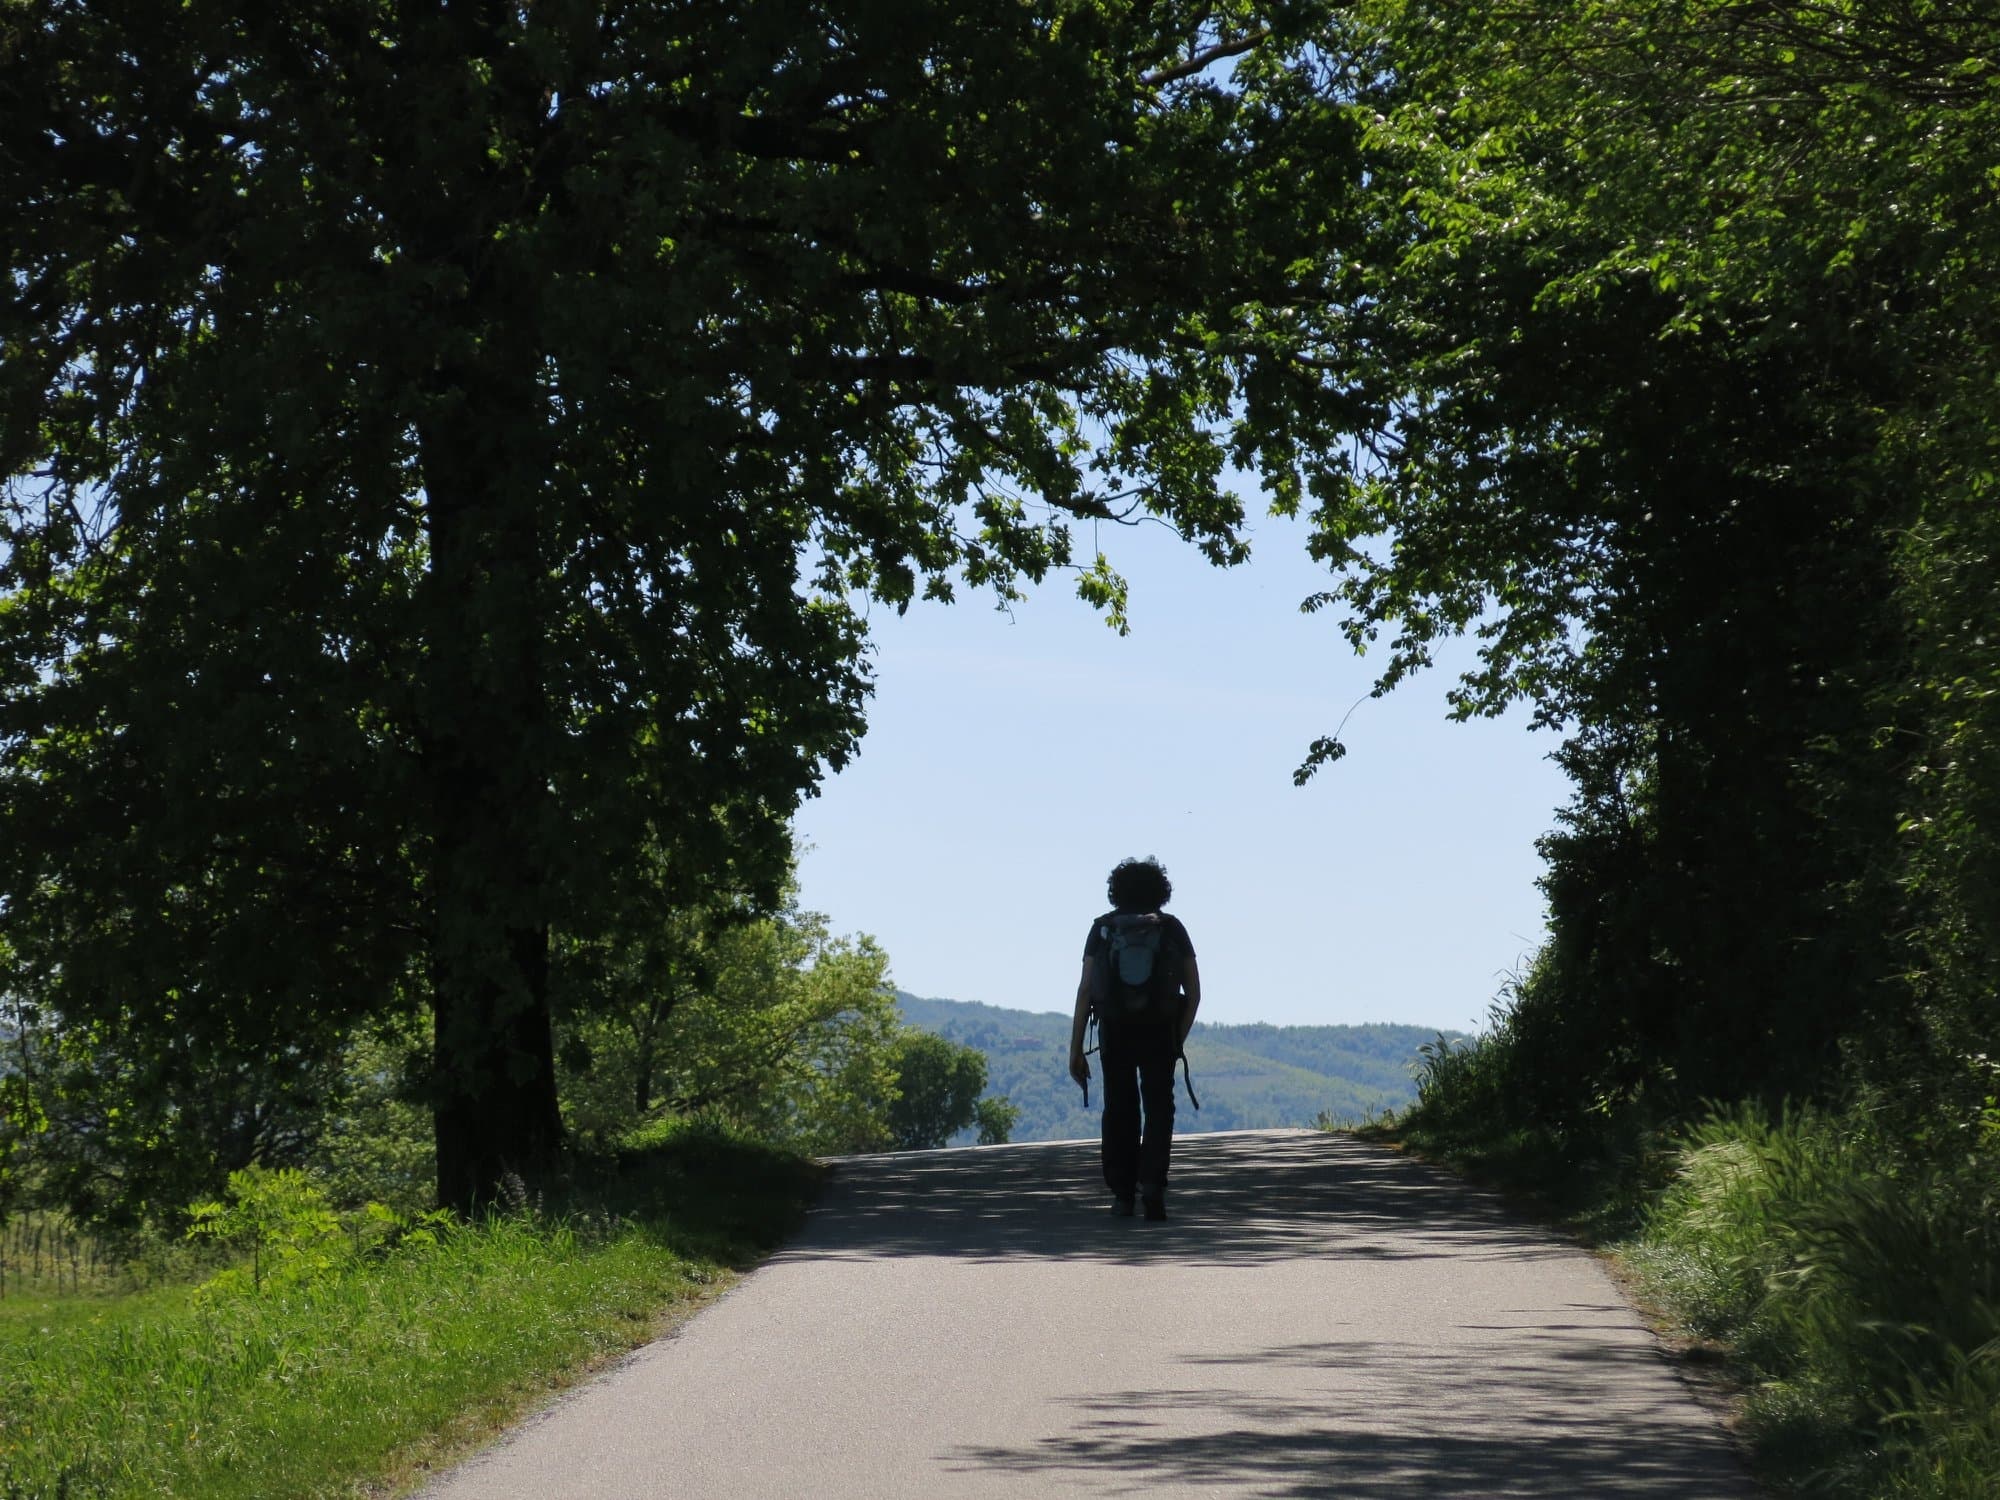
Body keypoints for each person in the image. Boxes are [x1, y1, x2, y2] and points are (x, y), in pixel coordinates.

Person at [1068, 856, 1200, 1221]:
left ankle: (1123, 1194)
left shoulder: (1103, 929)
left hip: (1116, 1029)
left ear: (1116, 890)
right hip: (1159, 1029)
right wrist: (1177, 1039)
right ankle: (1154, 1187)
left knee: (1119, 1108)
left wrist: (1075, 1048)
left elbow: (1084, 991)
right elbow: (1194, 991)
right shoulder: (1172, 929)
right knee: (1159, 1108)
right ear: (1161, 890)